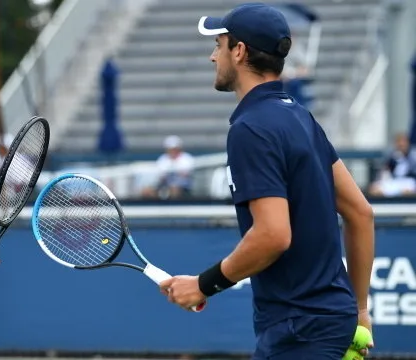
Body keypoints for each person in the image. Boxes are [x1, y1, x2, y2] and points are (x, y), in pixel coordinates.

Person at [159, 3, 375, 359]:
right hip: (333, 323)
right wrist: (361, 312)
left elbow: (273, 235)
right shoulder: (301, 117)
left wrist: (202, 284)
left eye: (219, 45)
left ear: (239, 51)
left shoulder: (251, 129)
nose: (213, 56)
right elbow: (361, 214)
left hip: (297, 331)